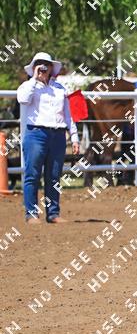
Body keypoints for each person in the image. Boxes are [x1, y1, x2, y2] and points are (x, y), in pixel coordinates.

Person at [16, 52, 80, 224]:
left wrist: (74, 136)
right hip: (36, 133)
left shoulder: (59, 89)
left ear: (52, 67)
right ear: (34, 67)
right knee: (32, 175)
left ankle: (53, 213)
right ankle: (31, 214)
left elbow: (67, 115)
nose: (44, 67)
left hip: (58, 135)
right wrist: (34, 78)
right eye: (40, 64)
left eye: (47, 64)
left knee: (54, 176)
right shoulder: (27, 86)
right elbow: (23, 100)